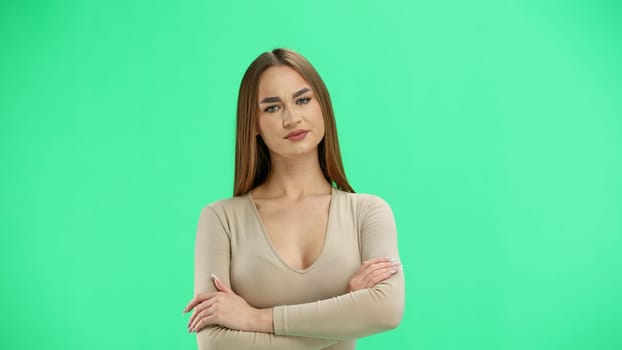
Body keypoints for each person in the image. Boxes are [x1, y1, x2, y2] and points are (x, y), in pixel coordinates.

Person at [183, 48, 404, 350]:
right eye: (272, 108)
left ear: (322, 107)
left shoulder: (367, 213)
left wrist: (255, 319)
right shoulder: (221, 219)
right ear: (254, 124)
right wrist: (347, 310)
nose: (292, 118)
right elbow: (215, 342)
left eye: (303, 100)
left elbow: (386, 311)